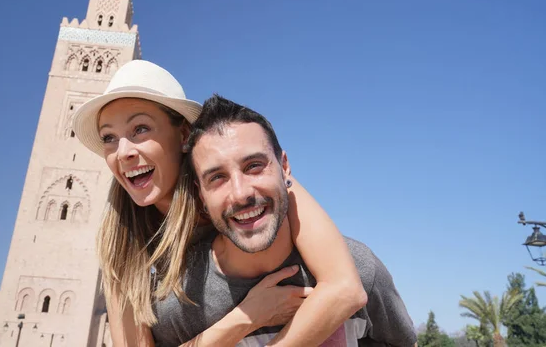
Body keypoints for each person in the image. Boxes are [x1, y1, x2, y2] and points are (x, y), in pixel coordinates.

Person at [72, 60, 368, 346]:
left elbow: (345, 289)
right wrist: (247, 316)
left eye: (140, 129)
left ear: (184, 135)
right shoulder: (121, 245)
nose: (123, 152)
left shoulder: (255, 183)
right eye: (109, 137)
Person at [148, 94, 417, 346]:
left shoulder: (360, 269)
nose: (241, 194)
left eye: (254, 166)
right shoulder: (181, 301)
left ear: (284, 166)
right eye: (217, 178)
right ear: (200, 195)